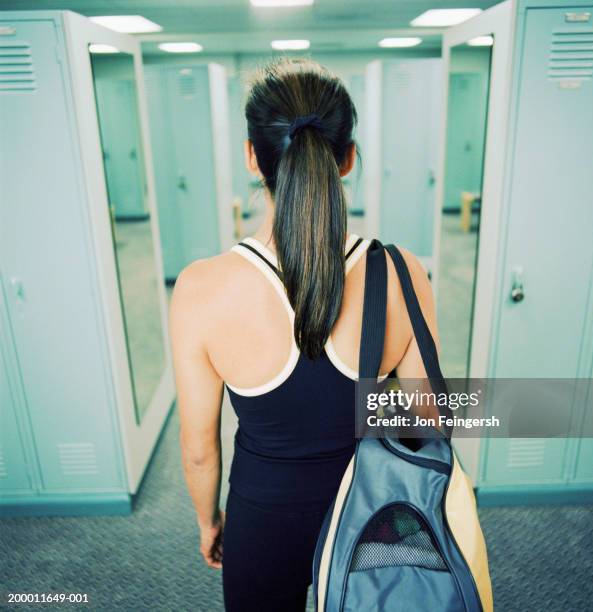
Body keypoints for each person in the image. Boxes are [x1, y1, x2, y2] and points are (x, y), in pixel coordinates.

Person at [169, 58, 439, 612]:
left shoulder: (201, 288)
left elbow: (199, 450)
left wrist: (209, 520)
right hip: (373, 514)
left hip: (262, 518)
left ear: (252, 157)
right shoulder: (402, 271)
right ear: (347, 159)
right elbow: (427, 418)